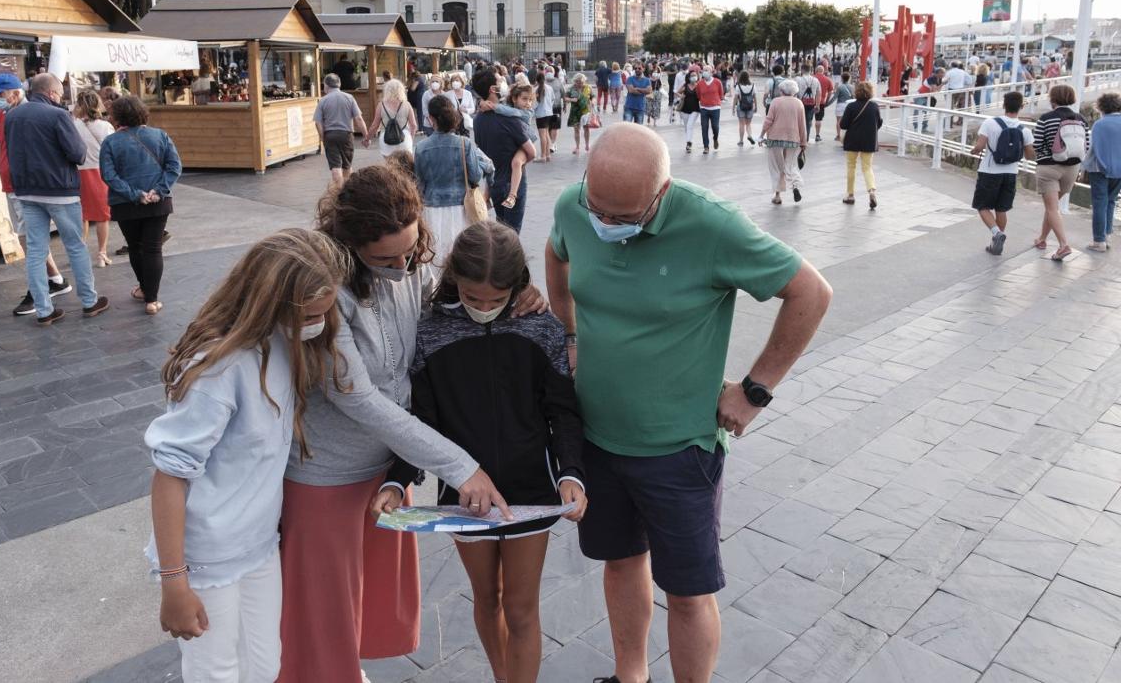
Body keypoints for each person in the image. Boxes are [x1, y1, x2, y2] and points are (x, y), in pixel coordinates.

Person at [544, 123, 831, 683]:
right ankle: (631, 677)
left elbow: (812, 291)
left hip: (679, 450)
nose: (604, 224)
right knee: (621, 562)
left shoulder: (711, 224)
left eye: (624, 218)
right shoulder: (574, 205)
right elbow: (558, 255)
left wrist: (755, 390)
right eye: (596, 207)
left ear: (661, 192)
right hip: (597, 437)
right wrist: (570, 332)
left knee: (688, 590)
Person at [278, 166, 520, 683]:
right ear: (348, 244)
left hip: (386, 470)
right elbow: (358, 397)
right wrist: (462, 468)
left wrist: (524, 298)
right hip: (326, 477)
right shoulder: (324, 291)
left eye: (410, 251)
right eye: (385, 259)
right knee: (319, 624)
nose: (403, 265)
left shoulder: (414, 268)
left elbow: (450, 309)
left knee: (363, 611)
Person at [377, 221, 587, 683]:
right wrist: (396, 478)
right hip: (463, 496)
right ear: (455, 282)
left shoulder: (541, 327)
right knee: (486, 599)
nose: (485, 309)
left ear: (518, 286)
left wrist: (570, 471)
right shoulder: (430, 331)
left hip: (532, 490)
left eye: (497, 300)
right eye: (474, 299)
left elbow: (562, 411)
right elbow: (422, 422)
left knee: (521, 607)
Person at [146, 229, 350, 683]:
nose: (321, 322)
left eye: (325, 310)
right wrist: (173, 581)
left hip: (258, 545)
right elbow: (169, 477)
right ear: (273, 301)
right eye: (311, 314)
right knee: (217, 673)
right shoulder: (221, 370)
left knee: (264, 667)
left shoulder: (281, 341)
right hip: (207, 557)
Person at [3, 74, 108, 325]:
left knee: (36, 251)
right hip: (60, 190)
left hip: (26, 191)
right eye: (60, 94)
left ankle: (43, 310)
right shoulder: (58, 115)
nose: (61, 99)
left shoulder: (11, 116)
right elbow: (77, 154)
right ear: (51, 93)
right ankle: (89, 301)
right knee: (75, 246)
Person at [0, 72, 72, 316]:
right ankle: (55, 280)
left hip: (25, 184)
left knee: (32, 240)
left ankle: (39, 293)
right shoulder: (3, 114)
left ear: (16, 93)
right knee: (28, 237)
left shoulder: (29, 114)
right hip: (12, 183)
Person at [99, 95, 181, 316]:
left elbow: (108, 175)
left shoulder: (111, 142)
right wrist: (158, 190)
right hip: (158, 202)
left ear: (117, 117)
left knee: (135, 247)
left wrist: (135, 194)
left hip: (126, 203)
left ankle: (144, 289)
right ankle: (152, 300)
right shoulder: (160, 135)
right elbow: (174, 166)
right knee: (153, 247)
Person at [413, 95, 492, 264]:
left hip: (432, 207)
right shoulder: (464, 143)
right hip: (461, 207)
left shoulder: (420, 148)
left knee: (436, 256)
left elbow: (419, 184)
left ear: (431, 118)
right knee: (461, 255)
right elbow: (475, 176)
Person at [969, 91, 1036, 256]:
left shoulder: (990, 123)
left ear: (1004, 105)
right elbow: (1030, 156)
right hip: (1010, 173)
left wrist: (973, 151)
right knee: (1001, 209)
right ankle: (996, 243)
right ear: (1021, 107)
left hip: (989, 171)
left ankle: (996, 233)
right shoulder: (1024, 130)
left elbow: (979, 146)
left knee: (982, 206)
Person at [473, 67, 538, 233]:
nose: (503, 82)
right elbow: (531, 152)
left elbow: (482, 154)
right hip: (512, 182)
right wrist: (520, 161)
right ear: (492, 89)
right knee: (511, 235)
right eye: (499, 80)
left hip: (494, 183)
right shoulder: (510, 119)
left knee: (501, 231)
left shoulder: (478, 119)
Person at [1034, 84, 1091, 261]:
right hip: (1072, 169)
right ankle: (1042, 239)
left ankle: (1063, 245)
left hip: (1049, 167)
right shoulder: (1081, 119)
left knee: (1052, 208)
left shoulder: (1046, 118)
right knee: (1053, 208)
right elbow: (1086, 145)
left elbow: (1037, 144)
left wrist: (1046, 156)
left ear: (1053, 99)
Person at [72, 90, 114, 267]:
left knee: (81, 216)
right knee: (102, 216)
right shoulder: (105, 127)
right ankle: (101, 254)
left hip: (77, 173)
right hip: (100, 173)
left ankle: (79, 254)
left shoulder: (72, 125)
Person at [314, 73, 368, 188]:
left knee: (335, 167)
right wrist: (366, 136)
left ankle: (338, 193)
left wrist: (323, 137)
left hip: (330, 135)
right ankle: (347, 192)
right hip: (346, 135)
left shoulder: (323, 101)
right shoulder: (349, 98)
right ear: (339, 84)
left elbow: (318, 122)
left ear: (326, 86)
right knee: (347, 166)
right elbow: (358, 118)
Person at [760, 79, 808, 205]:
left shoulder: (775, 102)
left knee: (776, 167)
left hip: (775, 139)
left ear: (781, 91)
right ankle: (795, 186)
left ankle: (777, 196)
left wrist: (761, 135)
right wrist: (803, 143)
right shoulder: (799, 104)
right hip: (793, 139)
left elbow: (768, 121)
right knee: (790, 166)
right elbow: (802, 125)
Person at [1084, 92, 1121, 251]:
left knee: (1100, 203)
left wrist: (1083, 167)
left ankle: (1099, 241)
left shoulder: (1100, 124)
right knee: (1111, 201)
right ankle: (1107, 236)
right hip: (1119, 170)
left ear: (1101, 107)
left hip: (1099, 169)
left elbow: (1094, 149)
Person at [838, 81, 883, 209]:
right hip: (869, 140)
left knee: (851, 166)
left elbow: (843, 125)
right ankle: (872, 191)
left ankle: (850, 195)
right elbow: (878, 123)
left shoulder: (851, 106)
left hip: (852, 140)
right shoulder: (874, 106)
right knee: (867, 167)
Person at [375, 78, 418, 160]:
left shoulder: (381, 105)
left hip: (386, 138)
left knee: (390, 166)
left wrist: (367, 138)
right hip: (404, 137)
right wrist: (410, 138)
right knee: (406, 167)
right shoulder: (407, 105)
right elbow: (414, 125)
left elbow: (375, 125)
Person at [693, 65, 725, 151]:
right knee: (704, 127)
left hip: (715, 108)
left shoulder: (717, 82)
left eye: (707, 70)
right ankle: (706, 146)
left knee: (715, 127)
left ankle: (715, 138)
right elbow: (698, 95)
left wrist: (716, 101)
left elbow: (721, 94)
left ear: (711, 72)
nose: (705, 72)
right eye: (704, 70)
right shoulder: (700, 84)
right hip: (704, 108)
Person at [564, 72, 594, 154]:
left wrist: (592, 102)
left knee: (586, 129)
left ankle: (587, 145)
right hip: (575, 112)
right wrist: (571, 100)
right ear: (575, 81)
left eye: (581, 82)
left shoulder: (588, 87)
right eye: (578, 82)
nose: (580, 84)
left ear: (584, 81)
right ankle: (577, 147)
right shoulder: (571, 88)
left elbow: (592, 96)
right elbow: (565, 98)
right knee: (576, 129)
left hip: (585, 111)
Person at [532, 70, 555, 162]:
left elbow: (535, 103)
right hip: (549, 113)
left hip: (541, 114)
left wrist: (531, 109)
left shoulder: (536, 89)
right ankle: (548, 155)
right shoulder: (549, 88)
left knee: (542, 136)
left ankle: (543, 156)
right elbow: (553, 99)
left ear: (536, 80)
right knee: (546, 134)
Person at [678, 68, 702, 153]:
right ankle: (689, 139)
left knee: (690, 125)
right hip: (685, 109)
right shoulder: (685, 85)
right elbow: (677, 92)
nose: (693, 77)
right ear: (688, 77)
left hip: (695, 109)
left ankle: (689, 143)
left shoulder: (699, 85)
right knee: (687, 127)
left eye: (695, 75)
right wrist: (680, 96)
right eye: (692, 76)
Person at [732, 70, 758, 146]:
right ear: (748, 77)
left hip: (741, 107)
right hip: (750, 107)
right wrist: (756, 106)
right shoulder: (753, 85)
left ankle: (741, 141)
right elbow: (755, 97)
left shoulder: (738, 86)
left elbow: (735, 98)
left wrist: (733, 108)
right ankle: (749, 135)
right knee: (748, 124)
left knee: (741, 124)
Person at [813, 64, 834, 141]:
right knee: (818, 119)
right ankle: (817, 135)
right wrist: (827, 100)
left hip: (810, 101)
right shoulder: (827, 80)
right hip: (821, 102)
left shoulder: (812, 78)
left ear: (816, 70)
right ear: (823, 71)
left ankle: (805, 134)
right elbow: (830, 92)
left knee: (807, 119)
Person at [833, 71, 855, 142]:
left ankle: (838, 136)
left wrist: (826, 104)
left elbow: (834, 97)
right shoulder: (852, 87)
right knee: (850, 121)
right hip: (849, 105)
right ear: (849, 79)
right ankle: (848, 136)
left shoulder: (840, 87)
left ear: (842, 79)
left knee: (839, 121)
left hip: (840, 105)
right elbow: (854, 97)